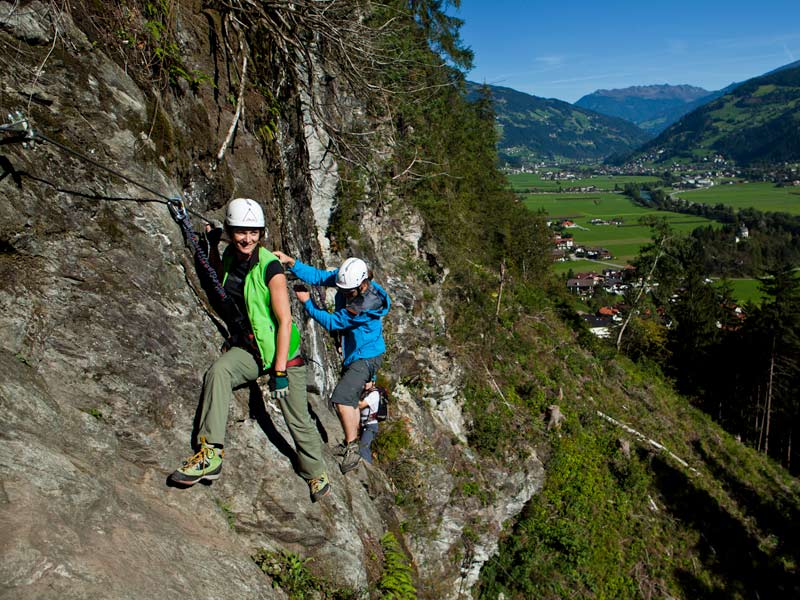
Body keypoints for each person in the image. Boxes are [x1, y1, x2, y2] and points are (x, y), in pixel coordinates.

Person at [170, 198, 330, 503]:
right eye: (241, 231)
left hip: (282, 354)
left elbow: (285, 322)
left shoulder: (271, 268)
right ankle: (210, 453)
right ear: (231, 231)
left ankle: (315, 471)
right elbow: (220, 282)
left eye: (253, 232)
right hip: (250, 349)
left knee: (296, 417)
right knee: (218, 372)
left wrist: (280, 371)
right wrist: (210, 243)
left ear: (261, 233)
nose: (247, 238)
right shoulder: (231, 254)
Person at [272, 251, 390, 474]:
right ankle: (350, 444)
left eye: (347, 291)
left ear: (362, 284)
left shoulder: (364, 305)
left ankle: (352, 448)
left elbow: (334, 323)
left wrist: (308, 303)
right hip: (361, 355)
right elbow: (318, 276)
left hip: (366, 357)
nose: (343, 293)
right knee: (351, 400)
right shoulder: (349, 280)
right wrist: (292, 263)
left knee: (342, 399)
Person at [358, 382, 381, 463]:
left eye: (368, 382)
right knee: (363, 447)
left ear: (373, 382)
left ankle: (368, 470)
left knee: (363, 448)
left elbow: (361, 405)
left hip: (370, 426)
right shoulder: (366, 392)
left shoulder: (374, 394)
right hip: (364, 424)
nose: (365, 383)